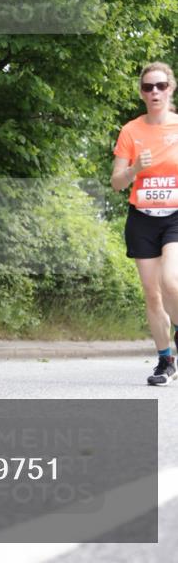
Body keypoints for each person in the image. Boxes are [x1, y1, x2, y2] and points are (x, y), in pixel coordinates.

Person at [111, 62, 178, 386]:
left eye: (161, 86)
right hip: (142, 220)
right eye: (149, 87)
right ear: (141, 93)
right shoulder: (131, 131)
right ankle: (165, 360)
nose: (155, 92)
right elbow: (116, 183)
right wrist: (135, 167)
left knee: (172, 282)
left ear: (171, 88)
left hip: (176, 217)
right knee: (152, 295)